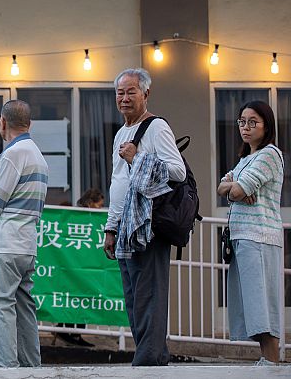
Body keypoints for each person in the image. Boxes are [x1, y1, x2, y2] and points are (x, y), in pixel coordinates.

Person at [102, 68, 185, 366]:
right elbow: (116, 181)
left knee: (149, 296)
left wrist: (137, 157)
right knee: (135, 298)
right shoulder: (121, 133)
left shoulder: (157, 127)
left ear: (146, 94)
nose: (124, 98)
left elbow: (178, 171)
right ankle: (154, 359)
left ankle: (147, 362)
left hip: (148, 224)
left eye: (131, 91)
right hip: (125, 225)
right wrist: (110, 227)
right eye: (120, 93)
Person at [0, 99, 48, 368]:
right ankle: (31, 369)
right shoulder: (38, 156)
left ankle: (4, 371)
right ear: (29, 124)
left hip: (5, 243)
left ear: (2, 123)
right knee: (25, 309)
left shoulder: (13, 154)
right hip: (27, 245)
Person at [216, 100, 284, 366]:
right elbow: (224, 187)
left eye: (253, 122)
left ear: (266, 126)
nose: (245, 127)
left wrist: (234, 188)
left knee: (262, 305)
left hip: (260, 237)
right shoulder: (246, 158)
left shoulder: (270, 154)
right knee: (251, 305)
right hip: (243, 238)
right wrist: (233, 187)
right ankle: (266, 360)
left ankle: (272, 363)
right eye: (242, 121)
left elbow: (234, 191)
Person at [54, 188, 105, 348]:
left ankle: (75, 333)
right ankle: (64, 330)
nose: (101, 209)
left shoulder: (89, 217)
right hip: (76, 264)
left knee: (83, 298)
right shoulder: (79, 216)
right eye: (99, 205)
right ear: (90, 203)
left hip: (83, 264)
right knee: (75, 297)